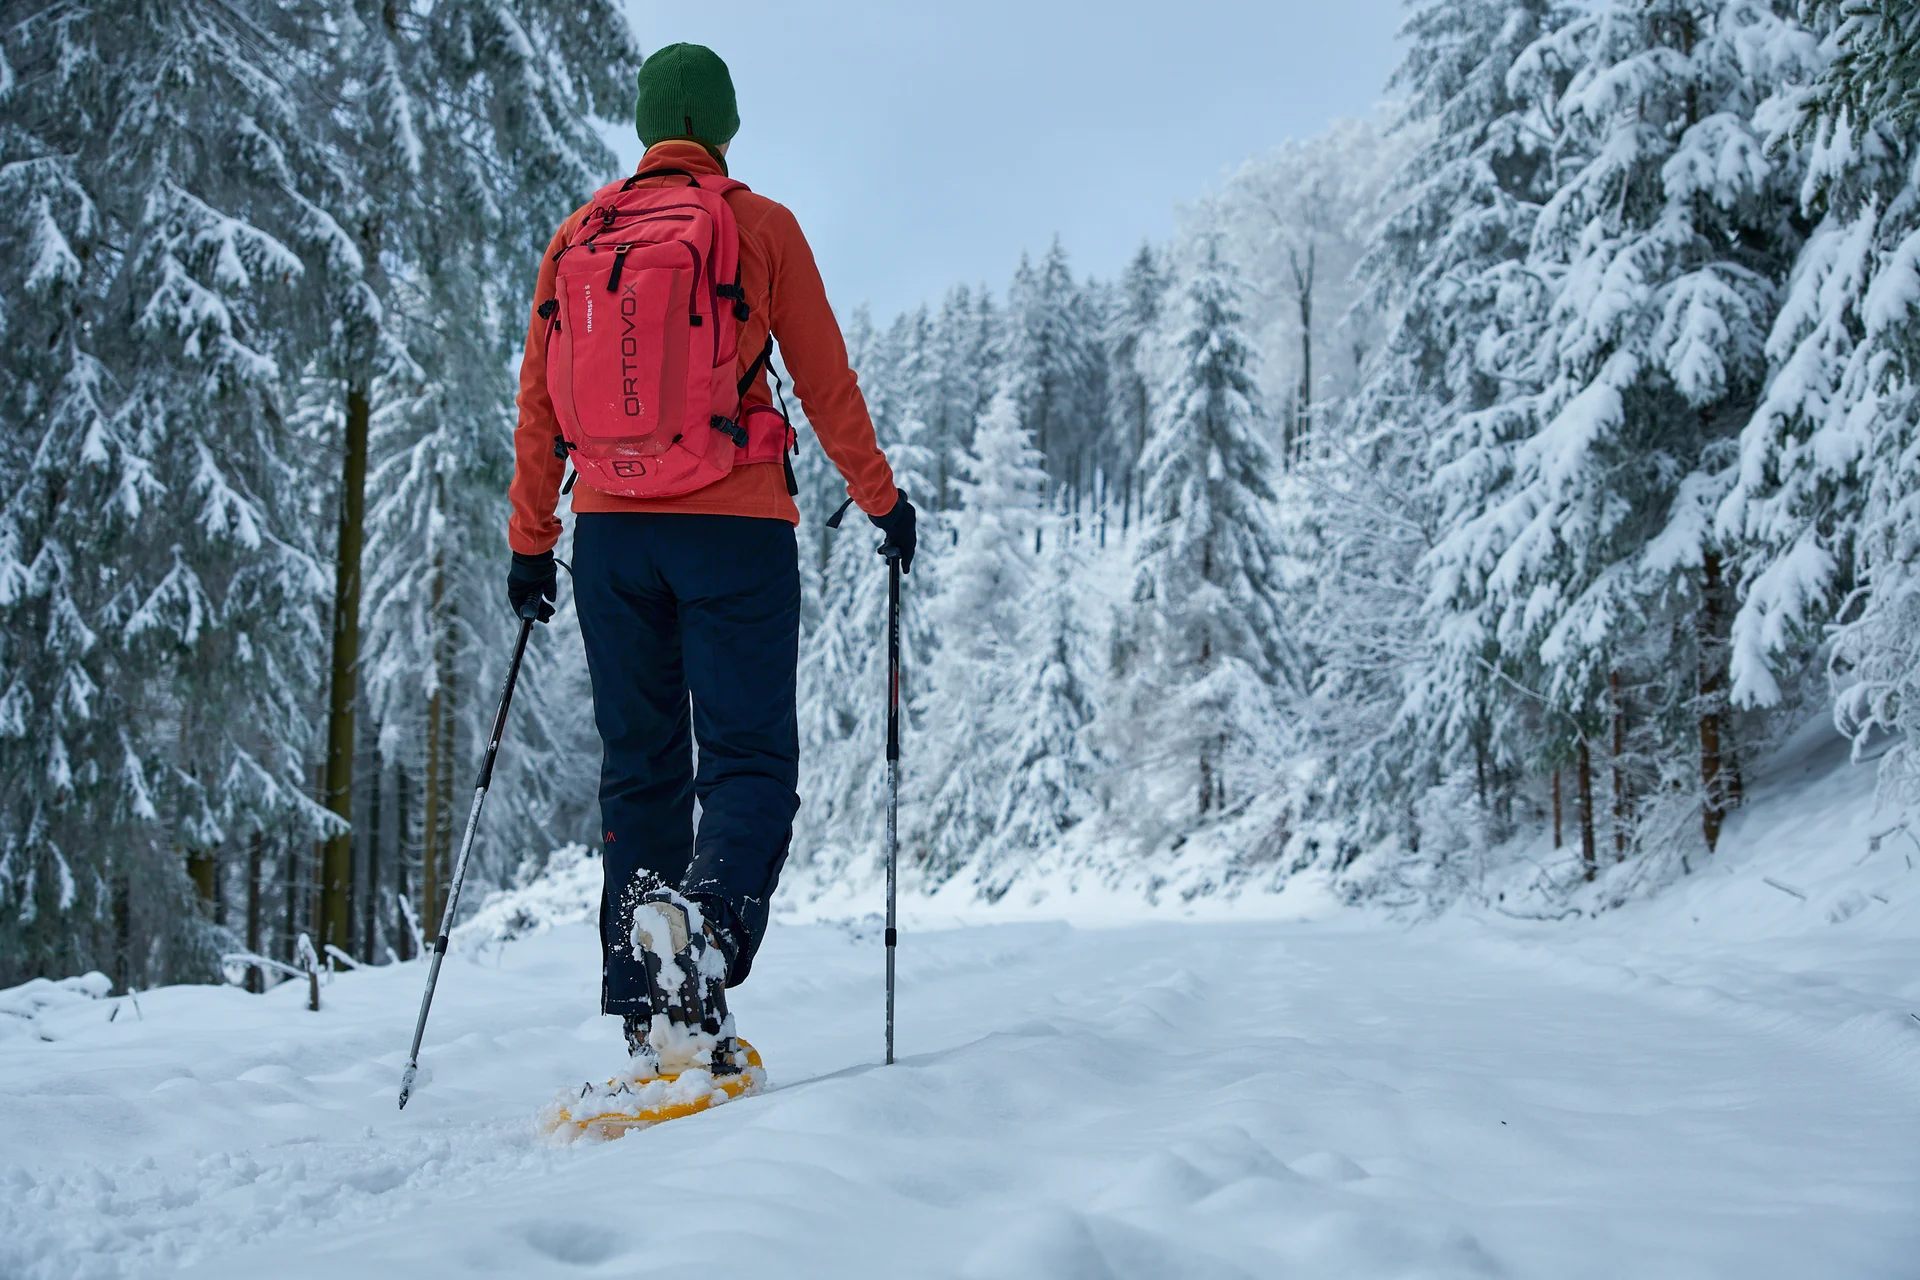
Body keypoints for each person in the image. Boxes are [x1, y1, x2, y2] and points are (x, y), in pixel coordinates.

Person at [504, 43, 916, 1070]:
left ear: (648, 128)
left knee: (640, 766)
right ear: (724, 128)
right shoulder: (760, 224)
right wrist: (884, 501)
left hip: (608, 535)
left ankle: (653, 1010)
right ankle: (711, 935)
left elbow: (538, 408)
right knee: (748, 757)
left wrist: (531, 544)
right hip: (733, 527)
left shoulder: (575, 239)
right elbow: (827, 384)